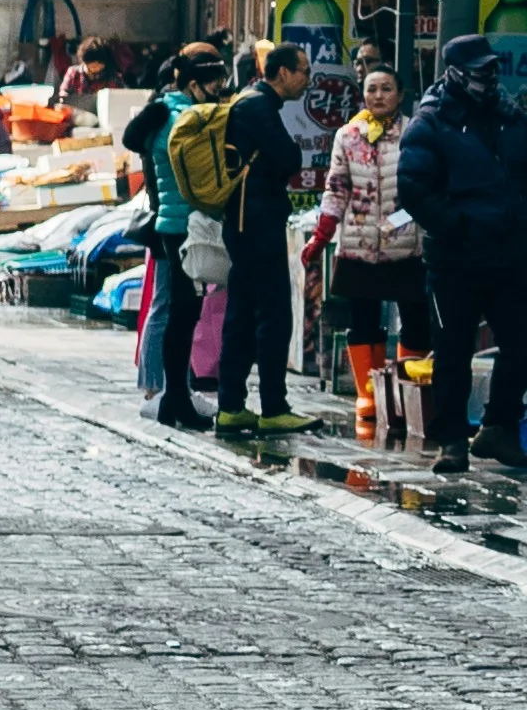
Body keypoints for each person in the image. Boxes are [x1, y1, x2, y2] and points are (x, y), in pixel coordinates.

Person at [396, 38, 527, 473]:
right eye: (479, 70)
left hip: (508, 253)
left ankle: (500, 427)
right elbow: (412, 186)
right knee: (452, 351)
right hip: (454, 259)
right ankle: (451, 441)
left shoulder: (511, 116)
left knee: (522, 344)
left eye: (491, 69)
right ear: (455, 72)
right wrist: (454, 226)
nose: (488, 78)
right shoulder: (430, 122)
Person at [124, 43, 233, 429]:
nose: (219, 89)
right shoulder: (187, 117)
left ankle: (174, 398)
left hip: (172, 224)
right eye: (214, 82)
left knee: (179, 313)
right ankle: (174, 399)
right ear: (193, 83)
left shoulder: (166, 112)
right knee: (180, 314)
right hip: (185, 224)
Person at [205, 43, 315, 421]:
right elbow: (289, 157)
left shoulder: (250, 101)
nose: (308, 81)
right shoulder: (257, 105)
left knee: (244, 312)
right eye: (303, 71)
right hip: (255, 222)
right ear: (282, 72)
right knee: (272, 313)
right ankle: (272, 406)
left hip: (245, 220)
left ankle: (232, 405)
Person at [316, 63, 427, 416]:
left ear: (401, 94)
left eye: (386, 89)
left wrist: (397, 222)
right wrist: (324, 231)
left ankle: (408, 394)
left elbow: (423, 191)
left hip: (407, 244)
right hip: (358, 245)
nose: (378, 96)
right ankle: (369, 395)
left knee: (415, 319)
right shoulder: (348, 135)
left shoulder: (415, 133)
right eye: (372, 89)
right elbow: (337, 187)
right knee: (362, 320)